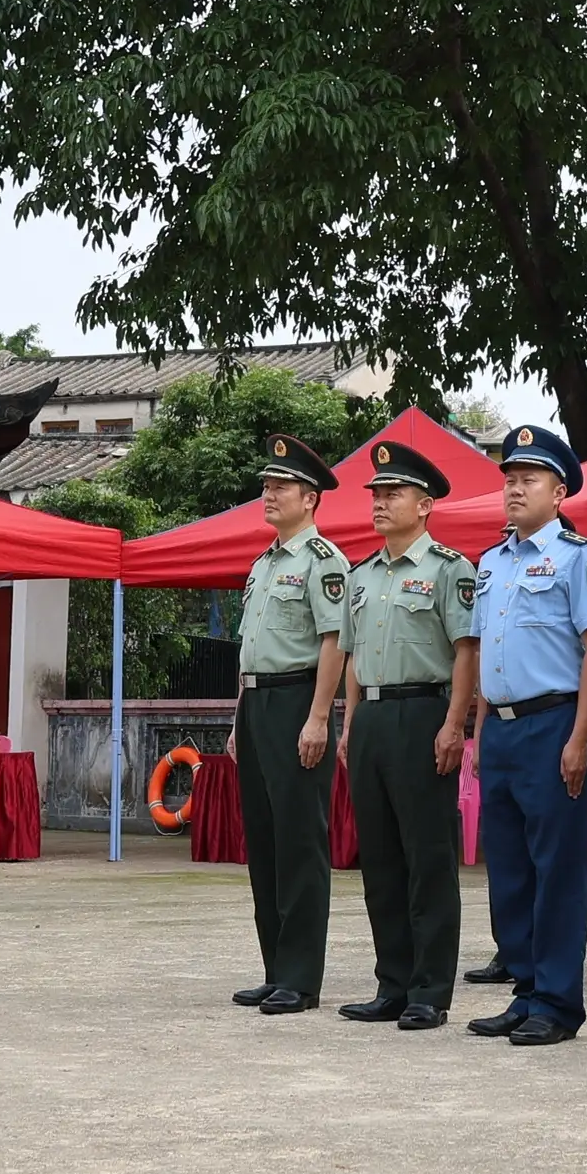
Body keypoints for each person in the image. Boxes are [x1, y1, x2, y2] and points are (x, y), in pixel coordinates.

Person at [464, 425, 587, 1047]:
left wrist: (580, 738)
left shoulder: (581, 558)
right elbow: (479, 656)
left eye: (528, 480)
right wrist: (474, 735)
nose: (514, 489)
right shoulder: (491, 563)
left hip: (554, 722)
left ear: (559, 491)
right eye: (510, 479)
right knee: (510, 870)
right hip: (499, 729)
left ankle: (556, 1000)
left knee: (556, 868)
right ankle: (524, 991)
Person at [329, 440, 485, 1029]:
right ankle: (391, 982)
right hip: (370, 717)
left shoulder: (449, 570)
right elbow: (349, 655)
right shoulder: (361, 574)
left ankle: (429, 989)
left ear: (424, 505)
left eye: (392, 493)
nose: (380, 502)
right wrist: (348, 721)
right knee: (381, 859)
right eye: (376, 493)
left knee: (428, 855)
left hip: (425, 713)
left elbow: (466, 650)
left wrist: (455, 724)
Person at [230, 434, 351, 1013]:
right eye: (266, 486)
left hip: (299, 701)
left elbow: (334, 642)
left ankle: (301, 977)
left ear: (311, 498)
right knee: (265, 840)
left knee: (300, 841)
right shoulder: (262, 563)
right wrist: (237, 720)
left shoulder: (323, 562)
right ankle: (275, 964)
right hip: (256, 706)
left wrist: (320, 717)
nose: (269, 495)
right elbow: (250, 648)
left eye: (281, 487)